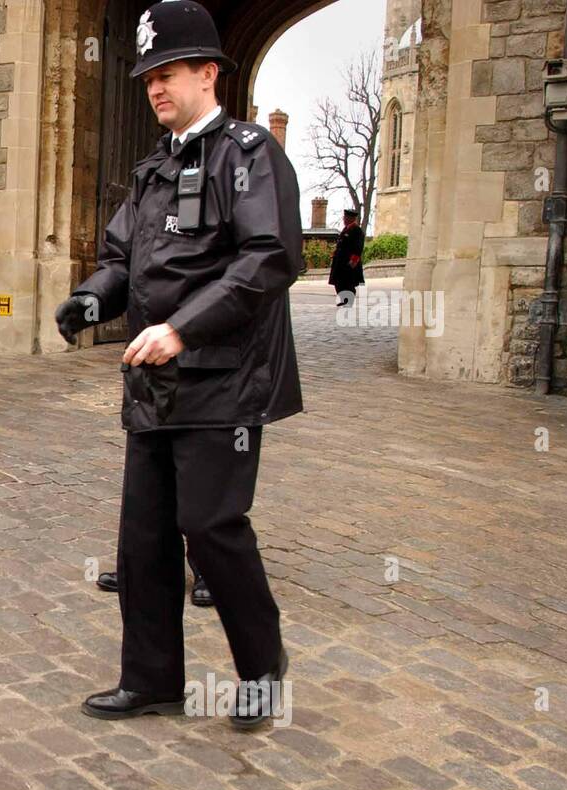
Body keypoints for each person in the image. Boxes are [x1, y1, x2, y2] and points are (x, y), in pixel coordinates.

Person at [55, 0, 302, 728]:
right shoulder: (154, 169)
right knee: (145, 535)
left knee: (212, 527)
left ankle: (262, 669)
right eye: (147, 78)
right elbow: (121, 258)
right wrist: (90, 300)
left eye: (168, 73)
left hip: (223, 381)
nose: (156, 88)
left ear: (208, 73)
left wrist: (181, 330)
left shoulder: (250, 154)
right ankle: (153, 677)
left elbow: (268, 259)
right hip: (154, 383)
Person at [330, 208, 366, 306]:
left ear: (351, 218)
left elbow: (358, 247)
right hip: (340, 261)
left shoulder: (357, 231)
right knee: (339, 281)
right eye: (344, 217)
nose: (344, 219)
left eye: (346, 218)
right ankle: (343, 299)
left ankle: (348, 300)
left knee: (348, 282)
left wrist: (353, 260)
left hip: (348, 261)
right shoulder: (345, 229)